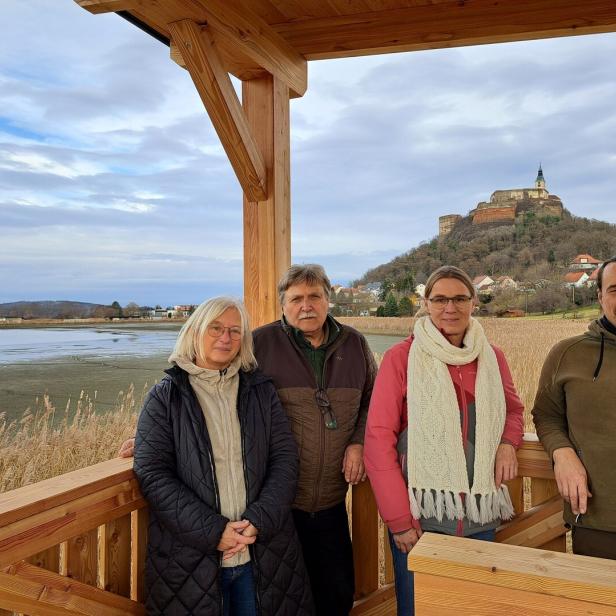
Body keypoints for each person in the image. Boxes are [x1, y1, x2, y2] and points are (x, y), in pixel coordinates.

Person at [122, 264, 376, 616]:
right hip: (277, 512)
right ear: (282, 304)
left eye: (315, 296)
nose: (307, 306)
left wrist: (360, 441)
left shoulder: (352, 344)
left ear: (328, 300)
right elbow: (193, 415)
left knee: (334, 594)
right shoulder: (259, 345)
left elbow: (371, 401)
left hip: (325, 501)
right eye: (296, 298)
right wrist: (150, 438)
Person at [133, 297, 313, 616]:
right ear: (195, 331)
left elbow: (284, 459)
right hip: (192, 562)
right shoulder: (166, 396)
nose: (225, 337)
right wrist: (213, 531)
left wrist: (260, 519)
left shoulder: (260, 390)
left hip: (263, 554)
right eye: (215, 328)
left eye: (234, 330)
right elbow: (152, 473)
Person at [364, 265, 524, 616]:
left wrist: (509, 443)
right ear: (425, 303)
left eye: (459, 298)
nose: (449, 308)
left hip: (481, 512)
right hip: (423, 517)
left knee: (475, 608)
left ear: (474, 302)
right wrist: (400, 521)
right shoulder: (402, 358)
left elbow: (514, 411)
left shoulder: (491, 357)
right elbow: (377, 441)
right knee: (420, 609)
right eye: (439, 299)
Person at [532, 256, 616, 560]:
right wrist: (562, 454)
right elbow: (546, 415)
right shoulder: (567, 354)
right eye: (615, 289)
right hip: (597, 518)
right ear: (600, 297)